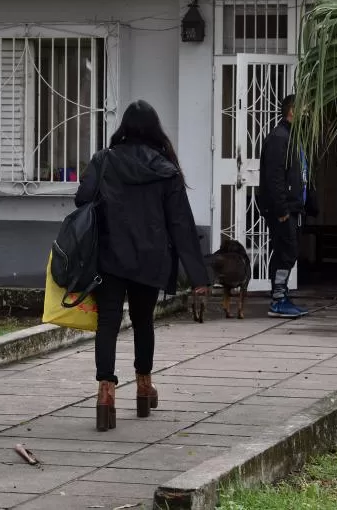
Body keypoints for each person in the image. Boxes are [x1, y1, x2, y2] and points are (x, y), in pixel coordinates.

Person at [75, 100, 210, 432]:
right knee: (143, 322)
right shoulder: (166, 170)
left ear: (124, 128)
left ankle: (105, 392)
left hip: (109, 256)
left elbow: (82, 199)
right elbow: (181, 224)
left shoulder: (104, 161)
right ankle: (143, 386)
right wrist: (198, 277)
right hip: (151, 259)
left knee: (107, 322)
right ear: (154, 130)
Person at [258, 94, 315, 319]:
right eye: (305, 109)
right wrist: (281, 210)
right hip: (282, 210)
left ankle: (281, 295)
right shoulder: (279, 138)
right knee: (286, 251)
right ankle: (278, 300)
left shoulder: (293, 137)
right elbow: (274, 178)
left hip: (293, 208)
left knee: (286, 251)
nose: (308, 114)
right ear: (292, 110)